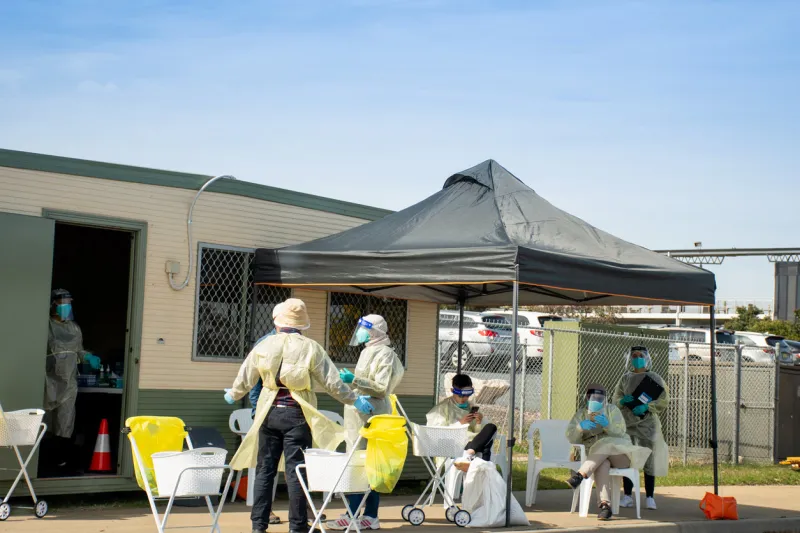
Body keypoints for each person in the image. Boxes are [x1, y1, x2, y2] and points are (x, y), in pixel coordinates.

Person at [223, 298, 374, 533]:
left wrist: (233, 394)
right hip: (297, 413)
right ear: (302, 324)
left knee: (265, 471)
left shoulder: (264, 345)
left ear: (278, 321)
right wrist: (355, 400)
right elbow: (333, 383)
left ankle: (258, 526)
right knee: (297, 472)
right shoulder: (311, 347)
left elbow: (246, 376)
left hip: (268, 412)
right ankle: (297, 527)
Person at [327, 315, 405, 531]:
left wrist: (355, 381)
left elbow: (381, 388)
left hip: (373, 414)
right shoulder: (367, 351)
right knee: (361, 463)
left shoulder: (385, 354)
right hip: (359, 414)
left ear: (375, 331)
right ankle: (368, 516)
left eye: (364, 328)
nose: (359, 332)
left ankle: (355, 514)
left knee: (366, 465)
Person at [564, 384, 651, 521]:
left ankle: (580, 475)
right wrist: (579, 428)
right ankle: (605, 506)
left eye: (599, 398)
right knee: (602, 463)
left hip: (620, 456)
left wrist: (607, 425)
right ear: (586, 398)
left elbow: (621, 432)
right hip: (596, 459)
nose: (596, 401)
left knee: (606, 444)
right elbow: (571, 438)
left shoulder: (612, 410)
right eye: (593, 398)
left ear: (604, 399)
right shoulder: (581, 414)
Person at [612, 346, 670, 511]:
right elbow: (616, 397)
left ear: (647, 358)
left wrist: (647, 407)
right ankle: (628, 496)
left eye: (640, 355)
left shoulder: (655, 378)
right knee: (628, 459)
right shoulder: (625, 378)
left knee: (648, 460)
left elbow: (663, 400)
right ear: (629, 359)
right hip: (628, 424)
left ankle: (650, 497)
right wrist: (622, 401)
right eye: (634, 356)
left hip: (647, 426)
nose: (637, 358)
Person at [44, 289, 85, 468]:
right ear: (53, 304)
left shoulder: (74, 327)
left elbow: (79, 351)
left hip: (69, 381)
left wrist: (88, 356)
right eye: (63, 303)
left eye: (69, 303)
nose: (66, 307)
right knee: (45, 419)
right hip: (48, 379)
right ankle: (40, 459)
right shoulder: (45, 325)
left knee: (65, 420)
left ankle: (60, 460)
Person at [427, 374, 497, 462]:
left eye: (466, 396)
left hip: (472, 442)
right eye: (460, 396)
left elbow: (478, 433)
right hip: (455, 444)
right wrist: (460, 423)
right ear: (452, 391)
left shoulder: (471, 406)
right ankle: (482, 469)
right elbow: (438, 433)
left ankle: (469, 453)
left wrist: (479, 422)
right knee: (486, 447)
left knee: (491, 427)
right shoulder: (442, 408)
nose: (463, 399)